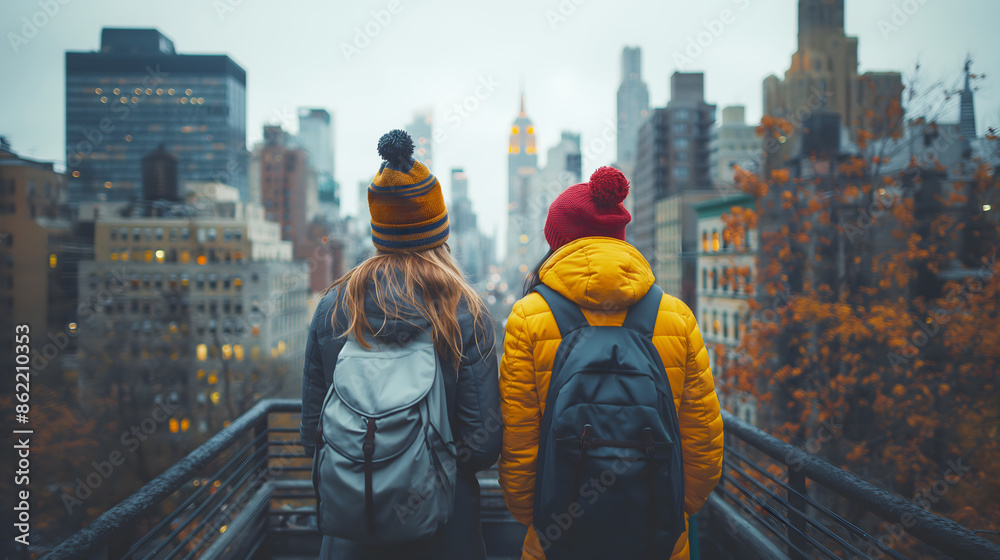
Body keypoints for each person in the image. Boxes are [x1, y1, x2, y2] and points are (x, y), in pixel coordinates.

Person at [499, 166, 724, 560]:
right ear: (620, 236)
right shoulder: (676, 317)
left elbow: (519, 441)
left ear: (557, 242)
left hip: (557, 539)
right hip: (657, 536)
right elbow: (703, 441)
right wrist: (673, 510)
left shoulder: (528, 317)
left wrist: (535, 514)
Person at [300, 130, 501, 560]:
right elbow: (482, 446)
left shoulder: (334, 306)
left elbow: (312, 435)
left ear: (379, 229)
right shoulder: (464, 310)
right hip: (446, 531)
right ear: (439, 229)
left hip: (353, 530)